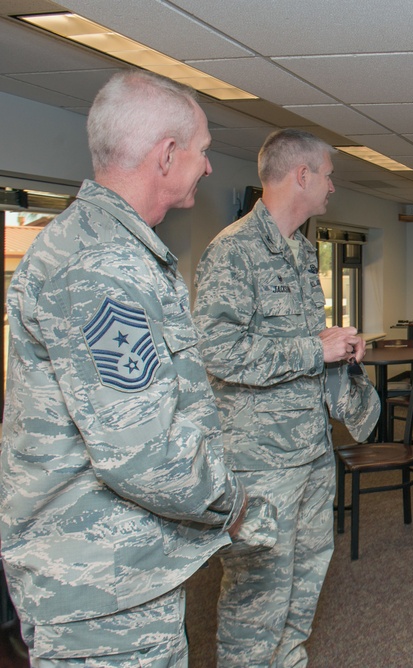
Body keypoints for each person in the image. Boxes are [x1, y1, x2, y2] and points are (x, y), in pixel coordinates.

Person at [0, 70, 250, 666]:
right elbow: (143, 453)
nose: (209, 167)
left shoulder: (109, 247)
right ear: (167, 156)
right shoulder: (102, 264)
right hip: (97, 590)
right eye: (203, 151)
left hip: (117, 575)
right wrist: (230, 499)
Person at [192, 128, 378, 667]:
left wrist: (337, 349)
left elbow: (301, 347)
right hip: (261, 466)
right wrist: (310, 350)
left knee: (302, 592)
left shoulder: (300, 252)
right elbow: (219, 353)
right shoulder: (234, 252)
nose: (332, 188)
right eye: (329, 175)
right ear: (302, 176)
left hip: (312, 452)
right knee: (258, 606)